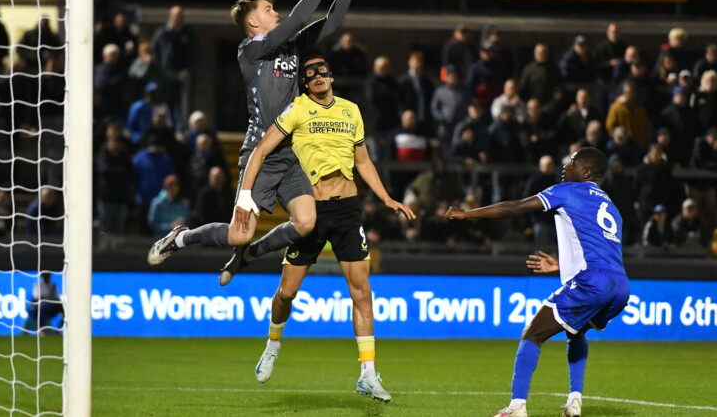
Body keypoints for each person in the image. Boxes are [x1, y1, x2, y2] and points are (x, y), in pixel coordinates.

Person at [147, 0, 364, 283]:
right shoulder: (249, 50)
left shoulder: (292, 44)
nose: (276, 13)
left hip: (292, 153)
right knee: (239, 234)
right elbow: (296, 20)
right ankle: (182, 237)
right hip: (260, 154)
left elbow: (333, 21)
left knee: (306, 223)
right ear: (252, 21)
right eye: (268, 9)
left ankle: (248, 255)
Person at [233, 54, 415, 400]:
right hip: (311, 212)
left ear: (331, 77)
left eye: (322, 71)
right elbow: (261, 149)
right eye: (310, 74)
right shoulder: (297, 109)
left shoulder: (351, 111)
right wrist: (245, 195)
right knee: (287, 293)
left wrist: (386, 197)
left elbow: (363, 160)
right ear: (304, 83)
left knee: (362, 291)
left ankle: (368, 373)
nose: (317, 76)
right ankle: (273, 344)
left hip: (347, 211)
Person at [446, 147, 630, 417]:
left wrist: (467, 214)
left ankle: (516, 407)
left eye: (573, 162)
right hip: (620, 286)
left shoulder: (567, 190)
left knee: (532, 334)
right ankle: (575, 401)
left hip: (592, 282)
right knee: (576, 331)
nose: (566, 166)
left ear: (586, 172)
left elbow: (515, 207)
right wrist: (563, 265)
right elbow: (601, 250)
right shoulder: (611, 207)